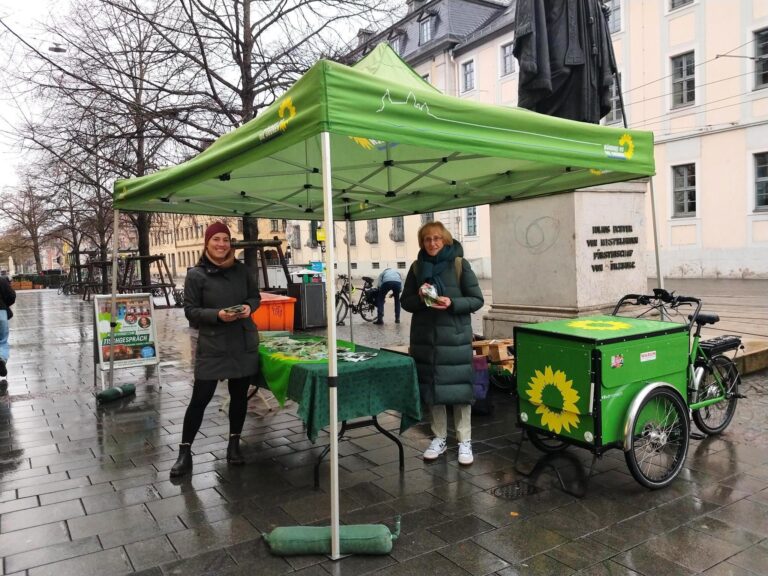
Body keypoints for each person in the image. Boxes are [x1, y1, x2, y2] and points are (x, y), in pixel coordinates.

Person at [170, 222, 261, 478]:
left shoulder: (242, 271)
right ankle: (184, 453)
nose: (221, 244)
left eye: (225, 239)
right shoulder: (196, 275)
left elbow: (255, 297)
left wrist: (248, 307)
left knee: (239, 396)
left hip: (242, 341)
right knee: (200, 399)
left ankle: (234, 445)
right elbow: (190, 311)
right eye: (216, 239)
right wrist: (217, 315)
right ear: (207, 242)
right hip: (213, 344)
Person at [400, 221, 484, 465]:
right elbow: (405, 302)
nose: (432, 243)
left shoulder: (459, 264)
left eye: (436, 238)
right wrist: (419, 298)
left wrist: (452, 303)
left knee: (460, 390)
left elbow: (476, 299)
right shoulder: (417, 267)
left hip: (454, 338)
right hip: (426, 338)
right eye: (427, 239)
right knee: (433, 389)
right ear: (422, 242)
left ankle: (465, 441)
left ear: (445, 240)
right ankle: (439, 438)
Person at [0, 274, 16, 379]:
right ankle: (1, 359)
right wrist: (4, 304)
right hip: (1, 312)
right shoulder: (1, 280)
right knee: (2, 341)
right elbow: (11, 296)